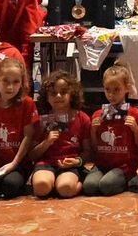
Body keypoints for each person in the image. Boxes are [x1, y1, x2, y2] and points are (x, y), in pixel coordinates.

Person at [0, 57, 37, 200]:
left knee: (10, 186)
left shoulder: (27, 104)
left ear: (22, 83)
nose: (10, 87)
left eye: (15, 82)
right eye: (5, 81)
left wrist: (14, 164)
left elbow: (28, 137)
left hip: (18, 162)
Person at [31, 69, 92, 199]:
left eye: (63, 92)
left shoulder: (82, 118)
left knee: (66, 189)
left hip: (70, 165)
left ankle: (81, 183)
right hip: (45, 163)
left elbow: (88, 151)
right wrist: (46, 143)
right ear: (46, 97)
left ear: (72, 94)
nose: (58, 96)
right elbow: (32, 154)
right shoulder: (41, 120)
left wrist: (77, 161)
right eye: (53, 93)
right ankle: (52, 184)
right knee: (41, 188)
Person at [87, 63, 138, 196]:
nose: (111, 94)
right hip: (102, 164)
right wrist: (93, 131)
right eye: (108, 89)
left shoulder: (135, 114)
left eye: (117, 90)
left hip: (125, 166)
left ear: (127, 88)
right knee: (90, 187)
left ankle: (131, 177)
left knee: (107, 186)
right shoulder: (98, 114)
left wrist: (135, 128)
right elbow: (94, 147)